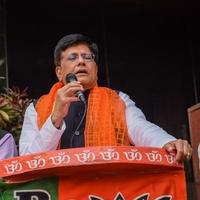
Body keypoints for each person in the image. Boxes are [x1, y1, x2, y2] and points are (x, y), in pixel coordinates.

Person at [19, 33, 192, 162]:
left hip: (104, 188)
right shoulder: (36, 107)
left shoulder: (117, 99)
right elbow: (27, 159)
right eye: (73, 57)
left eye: (87, 57)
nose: (81, 62)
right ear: (59, 72)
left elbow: (142, 128)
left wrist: (167, 142)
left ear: (95, 69)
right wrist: (55, 118)